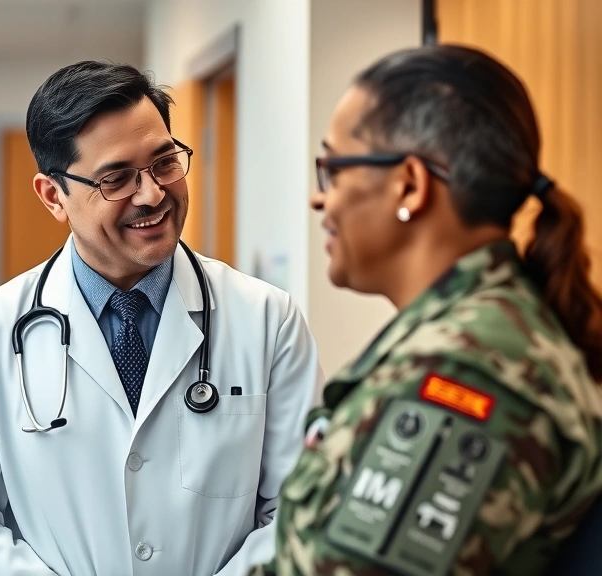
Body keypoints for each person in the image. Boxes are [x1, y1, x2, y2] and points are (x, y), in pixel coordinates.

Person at [0, 61, 323, 575]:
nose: (151, 194)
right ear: (53, 196)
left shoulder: (268, 320)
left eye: (165, 162)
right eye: (116, 179)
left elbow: (300, 508)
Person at [252, 44, 602, 576]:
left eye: (334, 170)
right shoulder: (467, 333)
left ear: (409, 185)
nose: (319, 200)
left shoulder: (466, 369)